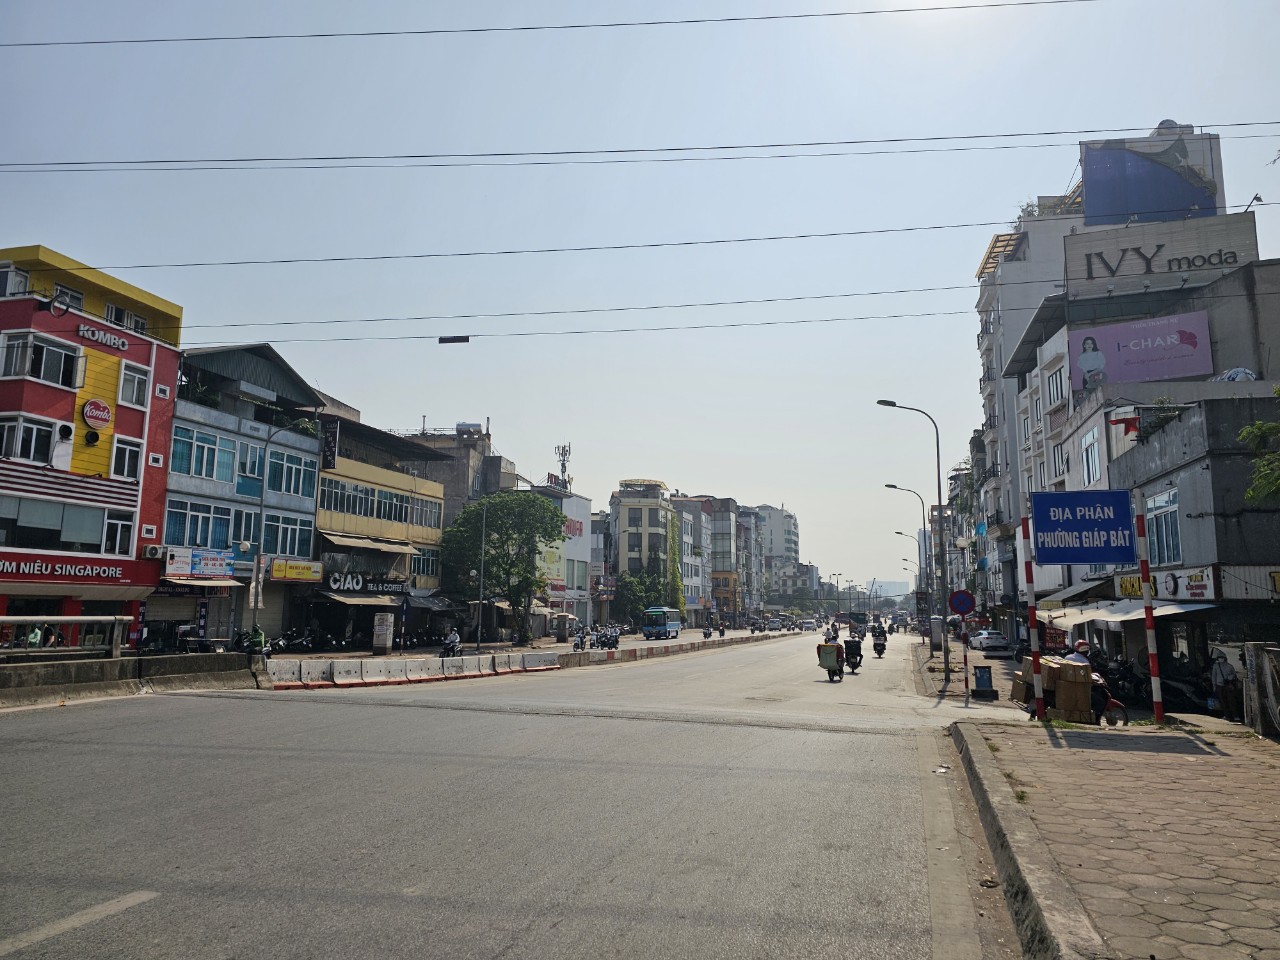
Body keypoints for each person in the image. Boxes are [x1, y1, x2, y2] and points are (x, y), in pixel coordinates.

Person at [1210, 650, 1241, 722]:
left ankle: (1231, 716)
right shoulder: (1221, 666)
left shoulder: (1221, 666)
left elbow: (1214, 677)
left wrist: (1214, 686)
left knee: (1227, 701)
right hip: (1223, 686)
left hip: (1224, 686)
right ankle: (1231, 716)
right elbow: (1214, 676)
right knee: (1227, 701)